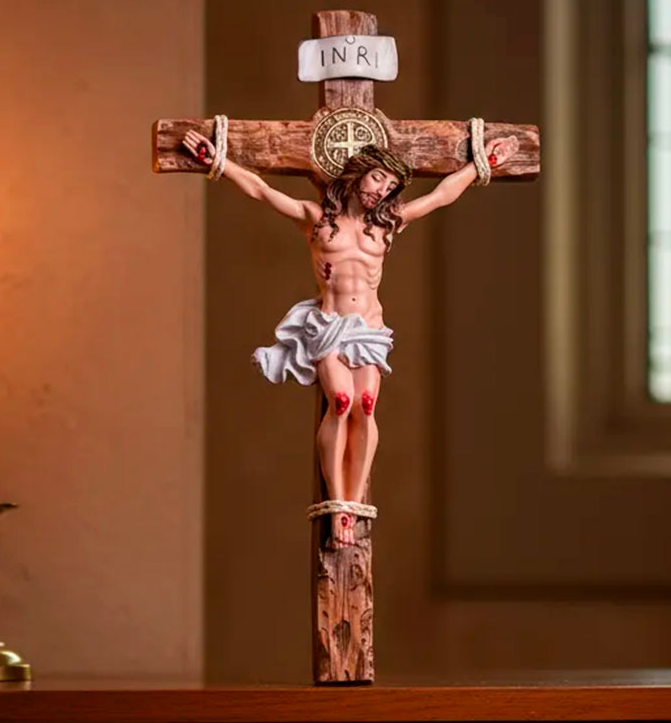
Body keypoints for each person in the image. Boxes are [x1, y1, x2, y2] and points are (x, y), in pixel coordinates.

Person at [182, 128, 518, 547]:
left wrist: (479, 164)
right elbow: (260, 191)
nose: (383, 190)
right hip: (329, 325)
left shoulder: (387, 227)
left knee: (365, 405)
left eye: (391, 185)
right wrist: (218, 161)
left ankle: (355, 501)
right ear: (359, 172)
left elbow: (441, 196)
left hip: (369, 328)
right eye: (378, 178)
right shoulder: (317, 220)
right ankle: (337, 500)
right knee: (340, 403)